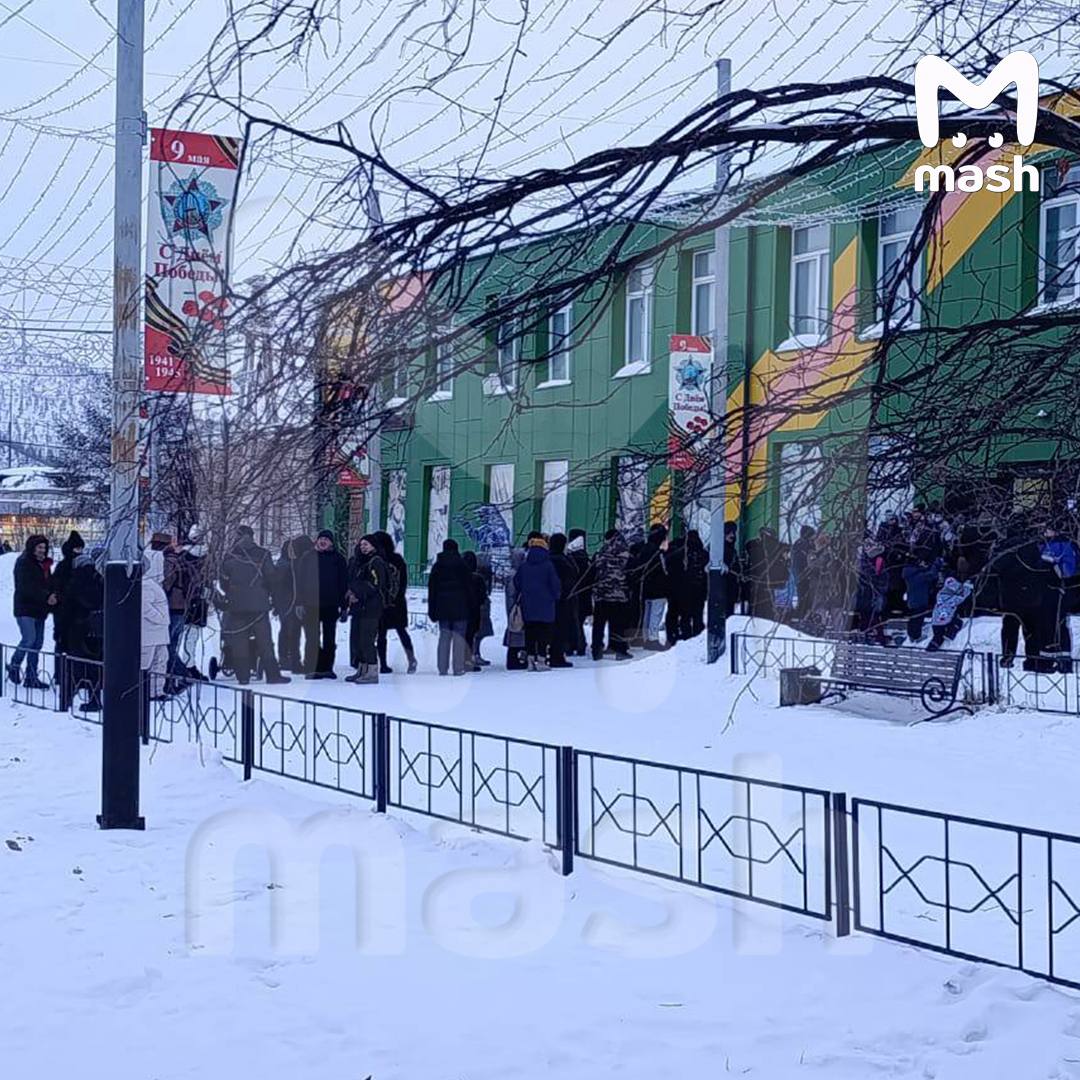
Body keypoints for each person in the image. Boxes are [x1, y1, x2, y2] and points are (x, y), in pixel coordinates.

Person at [219, 525, 290, 686]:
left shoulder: (229, 556)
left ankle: (243, 677)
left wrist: (234, 592)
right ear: (252, 536)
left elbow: (224, 582)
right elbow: (272, 579)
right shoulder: (263, 554)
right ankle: (273, 675)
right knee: (264, 641)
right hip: (259, 605)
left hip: (236, 605)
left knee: (239, 642)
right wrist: (269, 596)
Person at [8, 534, 55, 689]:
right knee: (29, 639)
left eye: (44, 548)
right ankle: (14, 666)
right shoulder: (24, 563)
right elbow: (26, 587)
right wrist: (46, 596)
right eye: (39, 547)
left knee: (37, 643)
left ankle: (31, 676)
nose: (42, 550)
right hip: (25, 608)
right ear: (32, 548)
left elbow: (49, 584)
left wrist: (53, 596)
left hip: (40, 609)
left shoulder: (45, 566)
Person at [63, 545, 104, 712]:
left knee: (76, 664)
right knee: (94, 664)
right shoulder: (100, 577)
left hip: (79, 627)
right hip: (98, 627)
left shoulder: (77, 580)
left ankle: (67, 699)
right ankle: (94, 699)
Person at [513, 532, 561, 671]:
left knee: (530, 633)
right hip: (546, 606)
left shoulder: (524, 566)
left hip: (528, 605)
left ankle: (530, 659)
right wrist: (555, 596)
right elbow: (555, 584)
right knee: (544, 633)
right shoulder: (548, 565)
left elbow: (517, 583)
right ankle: (541, 660)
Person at [345, 535, 388, 684]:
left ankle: (372, 671)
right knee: (357, 639)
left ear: (374, 546)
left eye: (367, 544)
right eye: (362, 544)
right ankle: (362, 669)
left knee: (367, 639)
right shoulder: (359, 562)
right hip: (359, 607)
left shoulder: (376, 562)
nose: (363, 547)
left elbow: (376, 584)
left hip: (371, 607)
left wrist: (358, 593)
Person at [373, 531, 417, 675]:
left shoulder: (376, 560)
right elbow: (404, 581)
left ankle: (384, 664)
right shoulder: (397, 559)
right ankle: (411, 659)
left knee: (381, 634)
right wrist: (397, 597)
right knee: (402, 631)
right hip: (397, 602)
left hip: (380, 602)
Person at [427, 538, 473, 676]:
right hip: (461, 607)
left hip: (442, 607)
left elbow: (432, 589)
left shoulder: (438, 566)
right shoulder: (463, 565)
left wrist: (432, 609)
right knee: (459, 637)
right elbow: (469, 588)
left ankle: (442, 668)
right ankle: (458, 667)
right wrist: (470, 606)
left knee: (444, 637)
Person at [589, 528, 631, 660]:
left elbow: (593, 570)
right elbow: (631, 571)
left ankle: (597, 650)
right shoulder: (625, 552)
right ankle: (620, 650)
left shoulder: (601, 552)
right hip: (619, 594)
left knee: (599, 624)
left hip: (601, 593)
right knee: (618, 624)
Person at [311, 530, 348, 678]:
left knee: (329, 638)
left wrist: (344, 606)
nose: (323, 541)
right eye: (321, 539)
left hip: (331, 604)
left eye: (326, 539)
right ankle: (316, 666)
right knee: (313, 637)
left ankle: (327, 667)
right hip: (311, 604)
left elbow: (343, 583)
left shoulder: (338, 559)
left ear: (331, 542)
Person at [633, 523, 670, 650]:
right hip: (658, 588)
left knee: (647, 614)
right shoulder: (658, 553)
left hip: (645, 587)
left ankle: (645, 637)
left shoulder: (643, 550)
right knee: (656, 614)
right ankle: (653, 639)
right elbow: (664, 570)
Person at [141, 547, 173, 696]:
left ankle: (156, 691)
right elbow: (145, 607)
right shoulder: (145, 585)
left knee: (160, 661)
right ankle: (146, 691)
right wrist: (161, 618)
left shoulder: (151, 583)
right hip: (150, 632)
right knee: (148, 662)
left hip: (157, 632)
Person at [927, 560, 974, 651]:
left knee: (938, 634)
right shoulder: (950, 593)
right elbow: (961, 595)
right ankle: (948, 635)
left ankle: (936, 644)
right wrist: (967, 587)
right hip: (942, 620)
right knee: (956, 623)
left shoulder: (942, 593)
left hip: (936, 621)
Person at [547, 533, 579, 668]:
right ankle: (557, 656)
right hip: (563, 599)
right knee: (561, 628)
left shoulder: (548, 559)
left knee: (551, 628)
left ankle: (550, 654)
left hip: (550, 599)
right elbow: (571, 579)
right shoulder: (564, 561)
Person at [50, 529, 84, 654]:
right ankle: (60, 671)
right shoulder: (64, 567)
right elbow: (57, 586)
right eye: (77, 549)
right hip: (63, 609)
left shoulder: (80, 565)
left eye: (81, 549)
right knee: (62, 640)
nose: (79, 552)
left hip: (75, 610)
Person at [674, 529, 708, 639]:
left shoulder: (683, 553)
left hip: (685, 589)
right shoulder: (703, 554)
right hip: (699, 588)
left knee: (685, 615)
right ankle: (697, 634)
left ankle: (686, 634)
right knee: (698, 614)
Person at [462, 550, 489, 672]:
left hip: (460, 611)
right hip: (474, 612)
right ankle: (467, 660)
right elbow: (483, 597)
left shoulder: (458, 577)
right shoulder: (478, 579)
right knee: (470, 636)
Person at [902, 556, 940, 643]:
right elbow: (932, 575)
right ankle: (917, 636)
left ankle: (911, 635)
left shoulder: (909, 575)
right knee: (918, 619)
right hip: (920, 600)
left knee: (913, 618)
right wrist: (935, 565)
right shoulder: (918, 576)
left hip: (911, 600)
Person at [567, 529, 592, 656]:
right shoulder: (585, 557)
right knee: (578, 620)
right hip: (585, 594)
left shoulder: (572, 558)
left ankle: (575, 644)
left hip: (575, 593)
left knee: (574, 620)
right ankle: (579, 643)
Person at [502, 547, 528, 670]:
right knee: (516, 632)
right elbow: (512, 595)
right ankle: (513, 660)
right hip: (516, 608)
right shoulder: (515, 575)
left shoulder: (512, 573)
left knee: (516, 633)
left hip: (513, 607)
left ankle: (515, 659)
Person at [790, 524, 817, 620]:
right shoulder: (804, 545)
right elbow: (808, 561)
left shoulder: (799, 544)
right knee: (805, 599)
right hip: (804, 576)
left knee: (803, 599)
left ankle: (802, 617)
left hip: (801, 576)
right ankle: (802, 618)